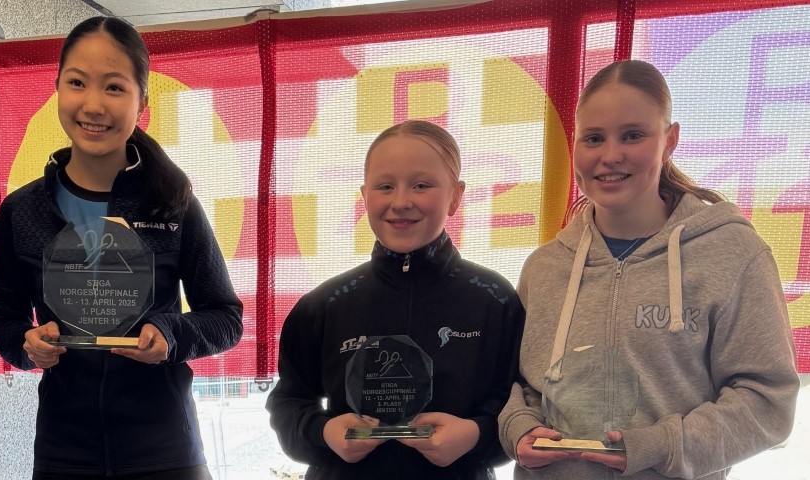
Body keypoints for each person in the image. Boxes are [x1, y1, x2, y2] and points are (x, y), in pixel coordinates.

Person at [498, 60, 799, 479]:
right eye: (594, 138)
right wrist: (519, 426)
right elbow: (521, 385)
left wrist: (663, 446)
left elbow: (767, 400)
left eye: (633, 135)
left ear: (669, 140)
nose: (610, 156)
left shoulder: (733, 253)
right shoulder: (545, 266)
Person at [0, 16, 243, 479]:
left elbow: (226, 319)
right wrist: (27, 346)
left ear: (142, 102)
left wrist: (170, 335)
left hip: (165, 451)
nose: (93, 104)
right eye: (77, 82)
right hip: (64, 452)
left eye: (115, 87)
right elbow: (3, 320)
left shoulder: (173, 203)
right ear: (57, 90)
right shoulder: (22, 211)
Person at [266, 120, 525, 479]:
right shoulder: (324, 305)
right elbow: (288, 403)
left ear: (455, 196)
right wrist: (324, 432)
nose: (401, 202)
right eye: (385, 186)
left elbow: (520, 406)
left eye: (421, 185)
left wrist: (476, 434)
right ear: (365, 195)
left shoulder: (495, 300)